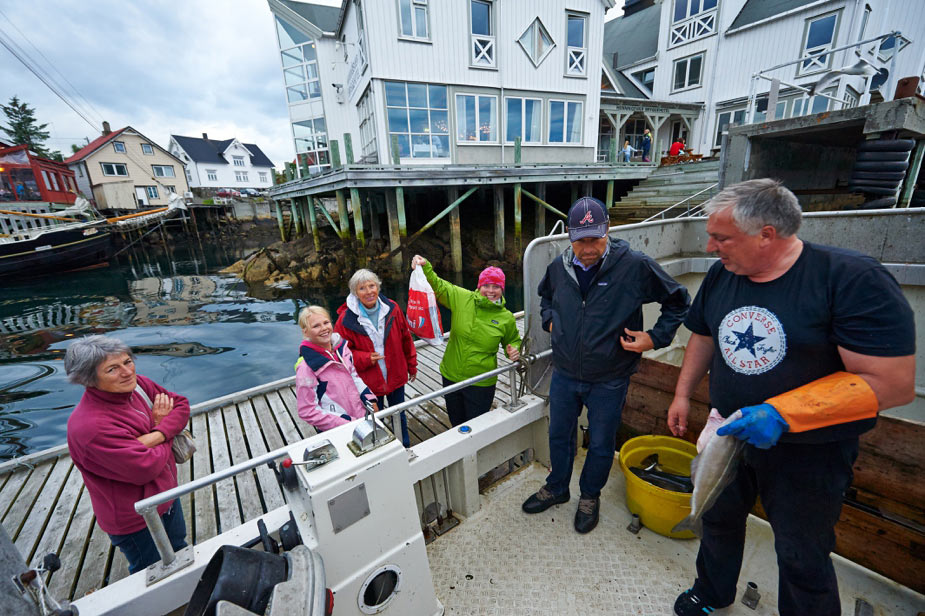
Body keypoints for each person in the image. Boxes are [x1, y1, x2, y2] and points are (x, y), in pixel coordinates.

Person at [666, 179, 915, 616]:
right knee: (718, 520)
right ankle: (712, 592)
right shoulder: (723, 274)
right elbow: (703, 335)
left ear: (766, 234)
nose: (709, 247)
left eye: (721, 237)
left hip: (809, 452)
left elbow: (891, 383)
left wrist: (781, 413)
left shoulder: (852, 279)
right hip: (726, 430)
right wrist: (682, 394)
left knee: (802, 550)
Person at [522, 196, 690, 534]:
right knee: (558, 434)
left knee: (600, 442)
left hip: (611, 377)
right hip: (566, 373)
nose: (587, 248)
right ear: (569, 235)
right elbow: (546, 297)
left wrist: (655, 338)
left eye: (595, 238)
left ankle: (589, 495)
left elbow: (678, 300)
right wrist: (550, 319)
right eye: (580, 240)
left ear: (608, 230)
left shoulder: (634, 266)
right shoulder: (559, 267)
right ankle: (557, 487)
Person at [65, 335, 190, 574]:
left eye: (128, 361)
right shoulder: (89, 428)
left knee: (180, 549)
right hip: (137, 519)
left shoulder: (138, 386)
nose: (127, 372)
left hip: (168, 495)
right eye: (112, 369)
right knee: (151, 571)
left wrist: (156, 433)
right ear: (87, 379)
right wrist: (165, 427)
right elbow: (145, 468)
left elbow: (181, 405)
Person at [410, 255, 521, 427]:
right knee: (457, 425)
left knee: (477, 427)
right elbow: (438, 285)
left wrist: (513, 350)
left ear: (502, 289)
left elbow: (513, 340)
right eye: (486, 285)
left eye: (496, 287)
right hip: (451, 375)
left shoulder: (506, 318)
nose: (490, 291)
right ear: (479, 286)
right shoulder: (462, 298)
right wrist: (425, 266)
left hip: (482, 381)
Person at [335, 269, 418, 447]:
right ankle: (381, 451)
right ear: (355, 293)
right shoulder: (345, 320)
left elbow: (406, 339)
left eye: (372, 286)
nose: (369, 291)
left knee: (399, 412)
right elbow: (341, 354)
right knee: (373, 418)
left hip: (395, 374)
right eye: (362, 288)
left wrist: (412, 365)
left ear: (378, 287)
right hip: (368, 381)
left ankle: (404, 445)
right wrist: (365, 358)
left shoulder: (393, 309)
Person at [295, 305, 378, 432]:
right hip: (336, 428)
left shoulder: (343, 349)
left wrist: (369, 398)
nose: (323, 328)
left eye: (326, 322)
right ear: (305, 331)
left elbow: (354, 376)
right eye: (316, 326)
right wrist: (345, 422)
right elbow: (307, 410)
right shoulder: (306, 368)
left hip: (360, 416)